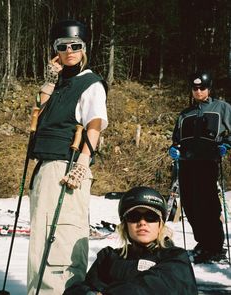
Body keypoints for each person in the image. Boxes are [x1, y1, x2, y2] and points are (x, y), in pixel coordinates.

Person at [27, 19, 108, 294]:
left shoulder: (90, 83)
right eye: (63, 46)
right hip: (45, 168)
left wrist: (83, 164)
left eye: (75, 45)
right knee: (41, 242)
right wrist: (50, 80)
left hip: (67, 167)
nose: (69, 50)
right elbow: (39, 110)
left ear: (84, 48)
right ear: (56, 51)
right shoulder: (60, 84)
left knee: (62, 238)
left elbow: (94, 125)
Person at [63, 186, 198, 295]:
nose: (142, 223)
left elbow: (156, 286)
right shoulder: (109, 257)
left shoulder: (175, 258)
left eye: (150, 217)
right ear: (125, 225)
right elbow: (84, 287)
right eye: (134, 216)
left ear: (160, 225)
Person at [169, 70, 231, 264]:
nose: (198, 91)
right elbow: (176, 139)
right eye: (194, 88)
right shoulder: (185, 114)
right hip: (187, 163)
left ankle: (215, 246)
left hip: (207, 162)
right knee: (191, 205)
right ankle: (203, 243)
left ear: (209, 88)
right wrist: (174, 149)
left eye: (202, 87)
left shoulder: (221, 107)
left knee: (208, 205)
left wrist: (226, 145)